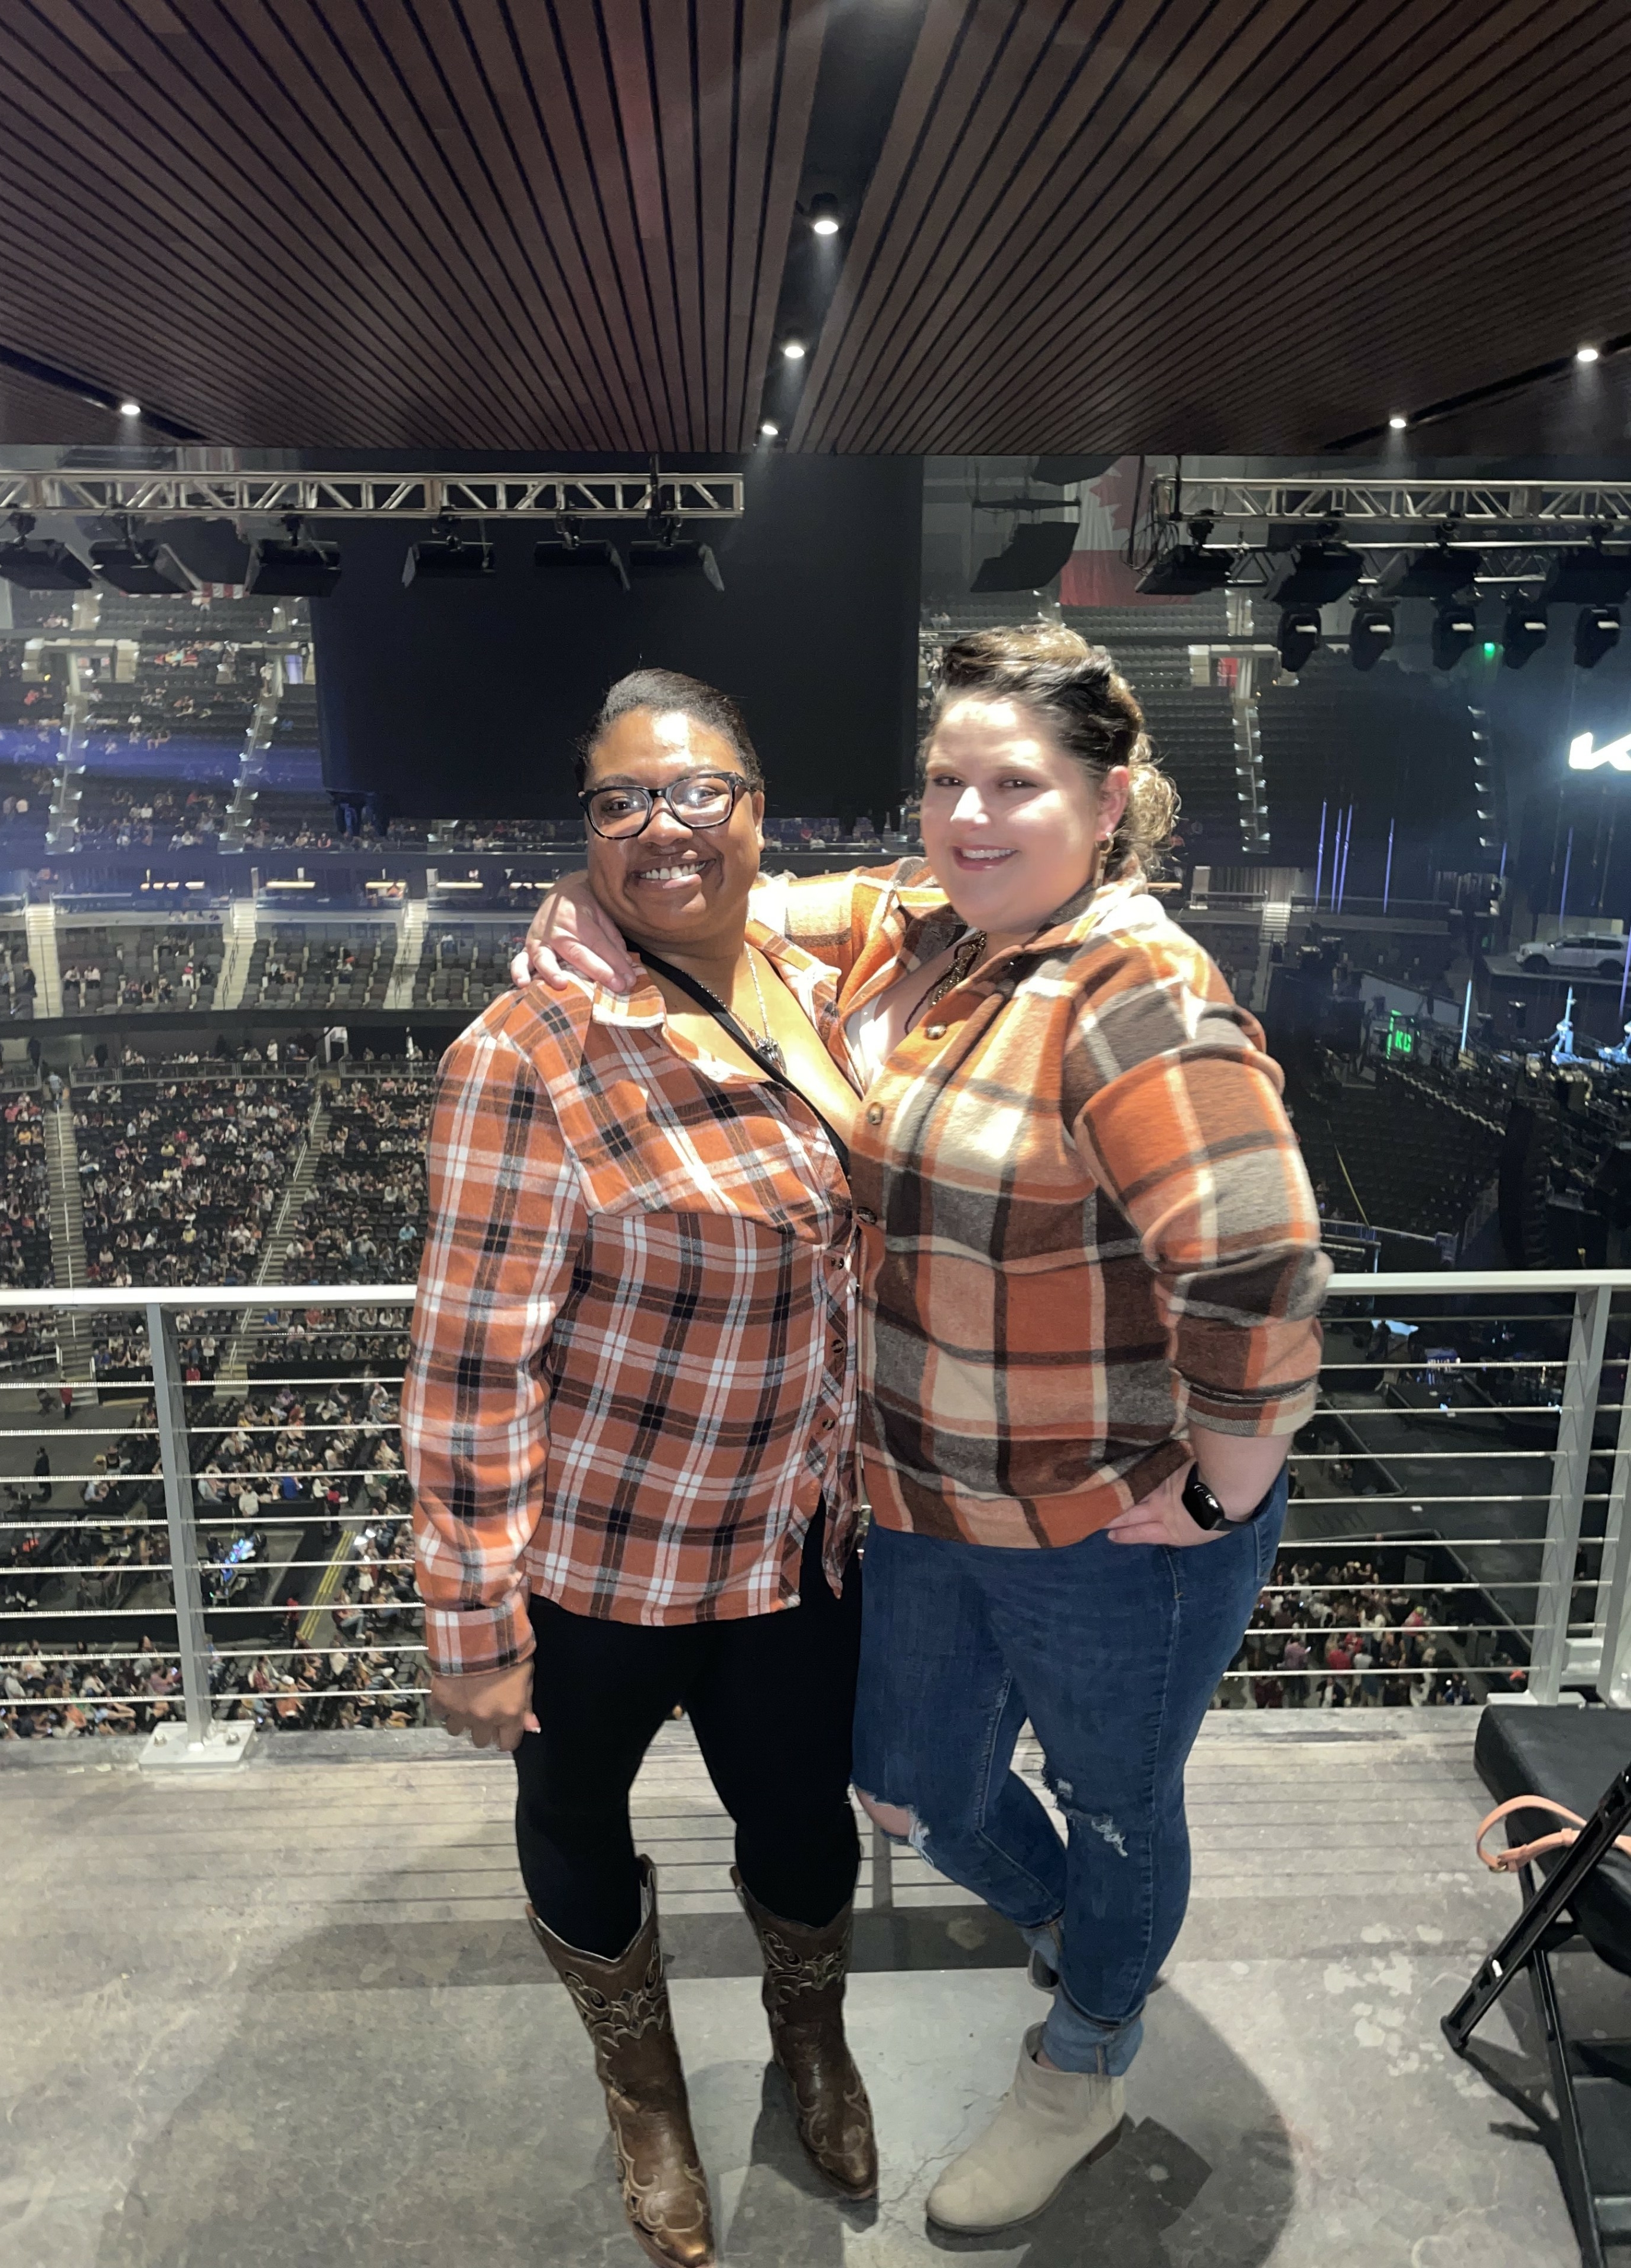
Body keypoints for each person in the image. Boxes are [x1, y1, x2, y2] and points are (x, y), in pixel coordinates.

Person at [519, 624, 1330, 2234]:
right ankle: (1094, 1940)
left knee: (1119, 1809)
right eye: (946, 781)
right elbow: (736, 897)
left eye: (1014, 785)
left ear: (1109, 802)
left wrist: (1228, 1484)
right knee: (909, 1788)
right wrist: (584, 905)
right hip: (923, 1501)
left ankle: (1082, 2060)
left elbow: (1257, 1259)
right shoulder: (936, 923)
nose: (968, 815)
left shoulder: (1133, 991)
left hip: (1109, 1524)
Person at [402, 670, 876, 2268]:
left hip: (795, 1540)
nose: (661, 824)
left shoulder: (812, 982)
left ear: (760, 810)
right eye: (620, 803)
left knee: (803, 1827)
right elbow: (471, 1364)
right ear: (586, 836)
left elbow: (983, 872)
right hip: (604, 1563)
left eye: (697, 791)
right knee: (577, 1826)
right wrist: (473, 1627)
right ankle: (645, 2092)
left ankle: (811, 2039)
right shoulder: (525, 1053)